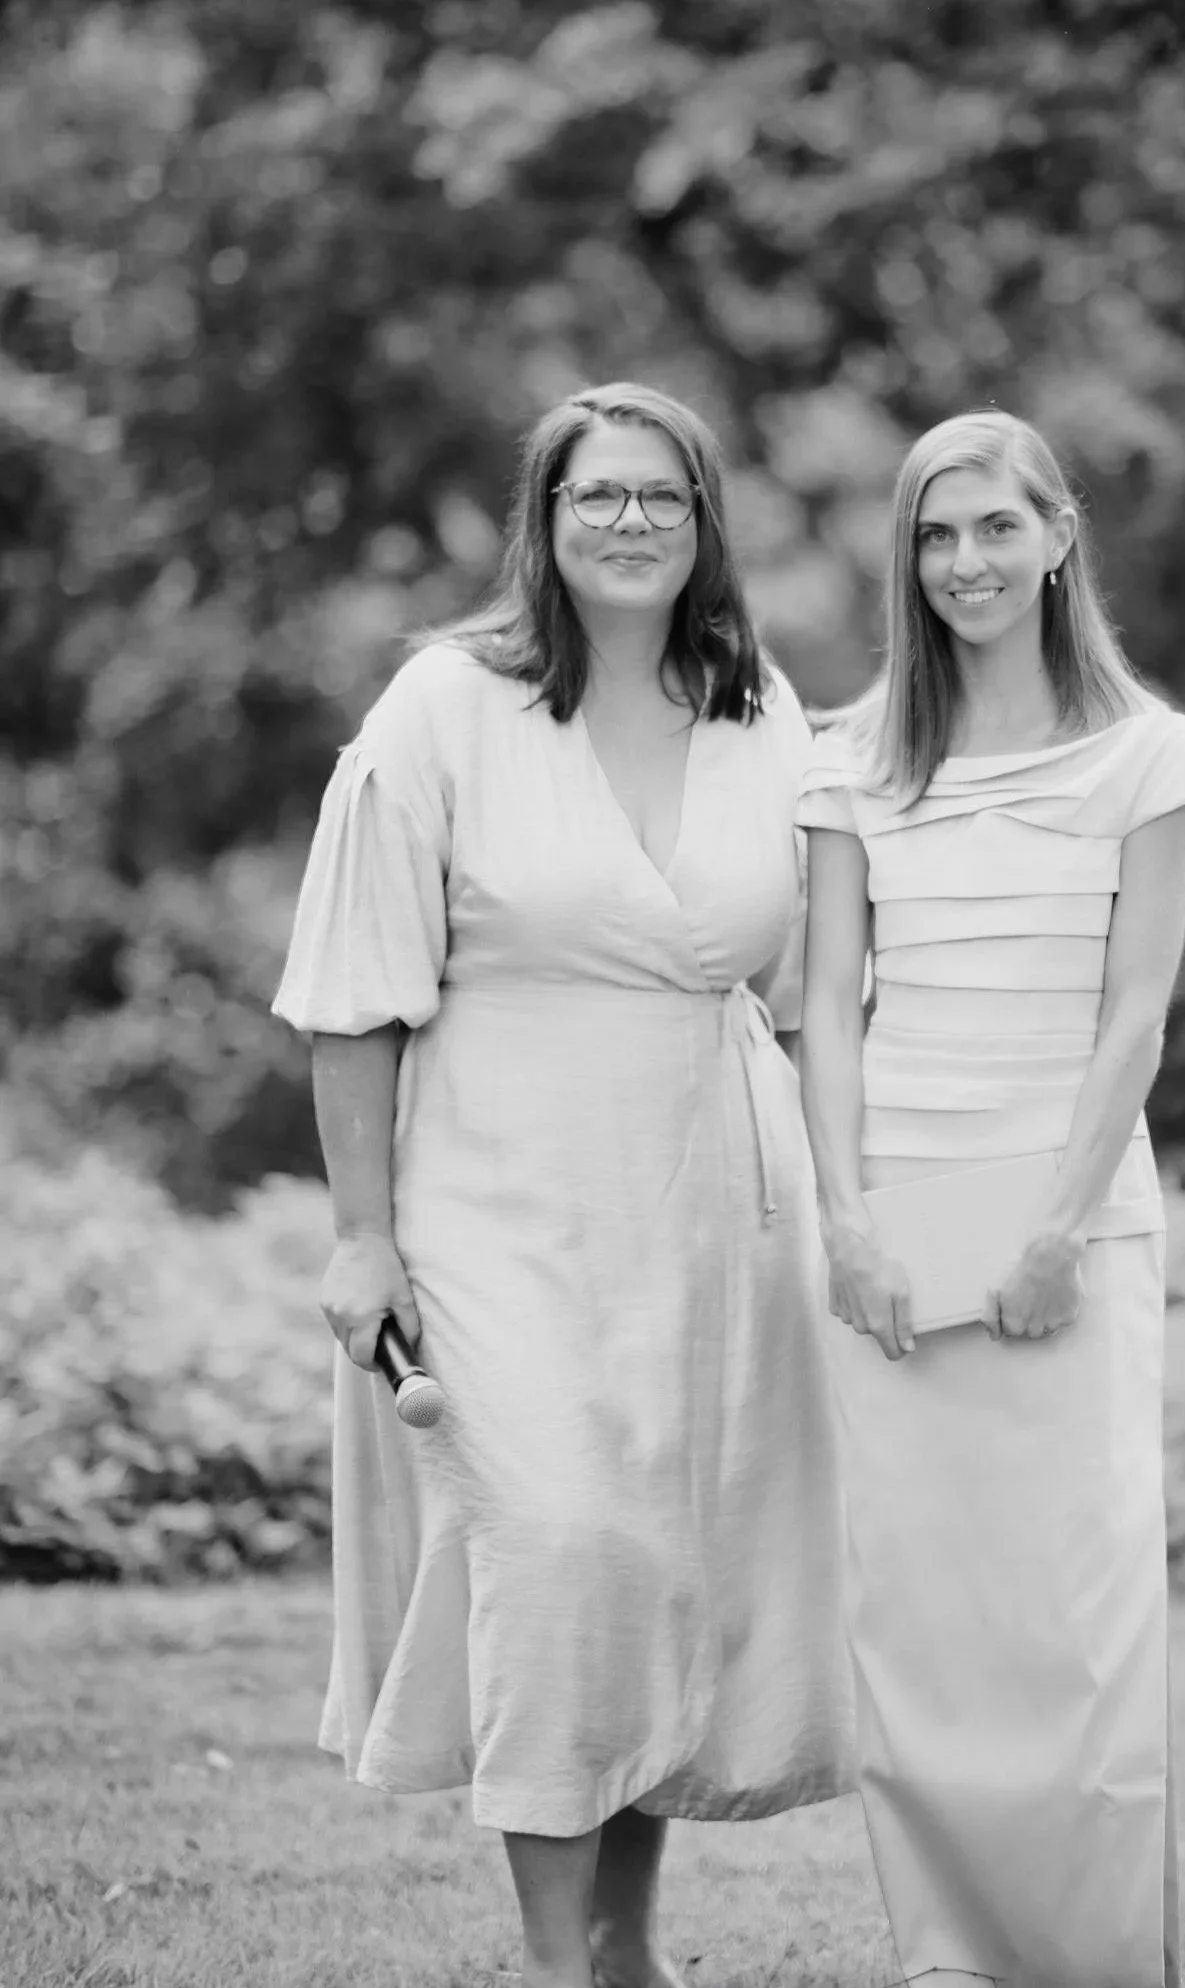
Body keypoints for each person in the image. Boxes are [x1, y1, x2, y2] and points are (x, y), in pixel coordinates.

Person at [273, 382, 853, 1988]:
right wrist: (362, 1236)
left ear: (703, 521)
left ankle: (626, 1948)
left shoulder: (758, 710)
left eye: (662, 496)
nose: (629, 522)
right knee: (560, 1543)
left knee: (660, 1559)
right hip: (499, 1197)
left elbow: (813, 991)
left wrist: (858, 1204)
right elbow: (352, 993)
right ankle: (551, 1966)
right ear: (543, 518)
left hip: (712, 1201)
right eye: (596, 494)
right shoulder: (444, 708)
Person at [797, 410, 1185, 1988]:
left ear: (1058, 538)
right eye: (935, 533)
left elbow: (1135, 1015)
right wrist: (845, 1222)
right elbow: (825, 1003)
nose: (964, 561)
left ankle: (1097, 1959)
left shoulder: (1147, 755)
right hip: (896, 1220)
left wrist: (1056, 1230)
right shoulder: (850, 761)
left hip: (1073, 1219)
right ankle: (949, 1960)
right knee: (922, 1615)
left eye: (995, 526)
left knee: (1075, 1610)